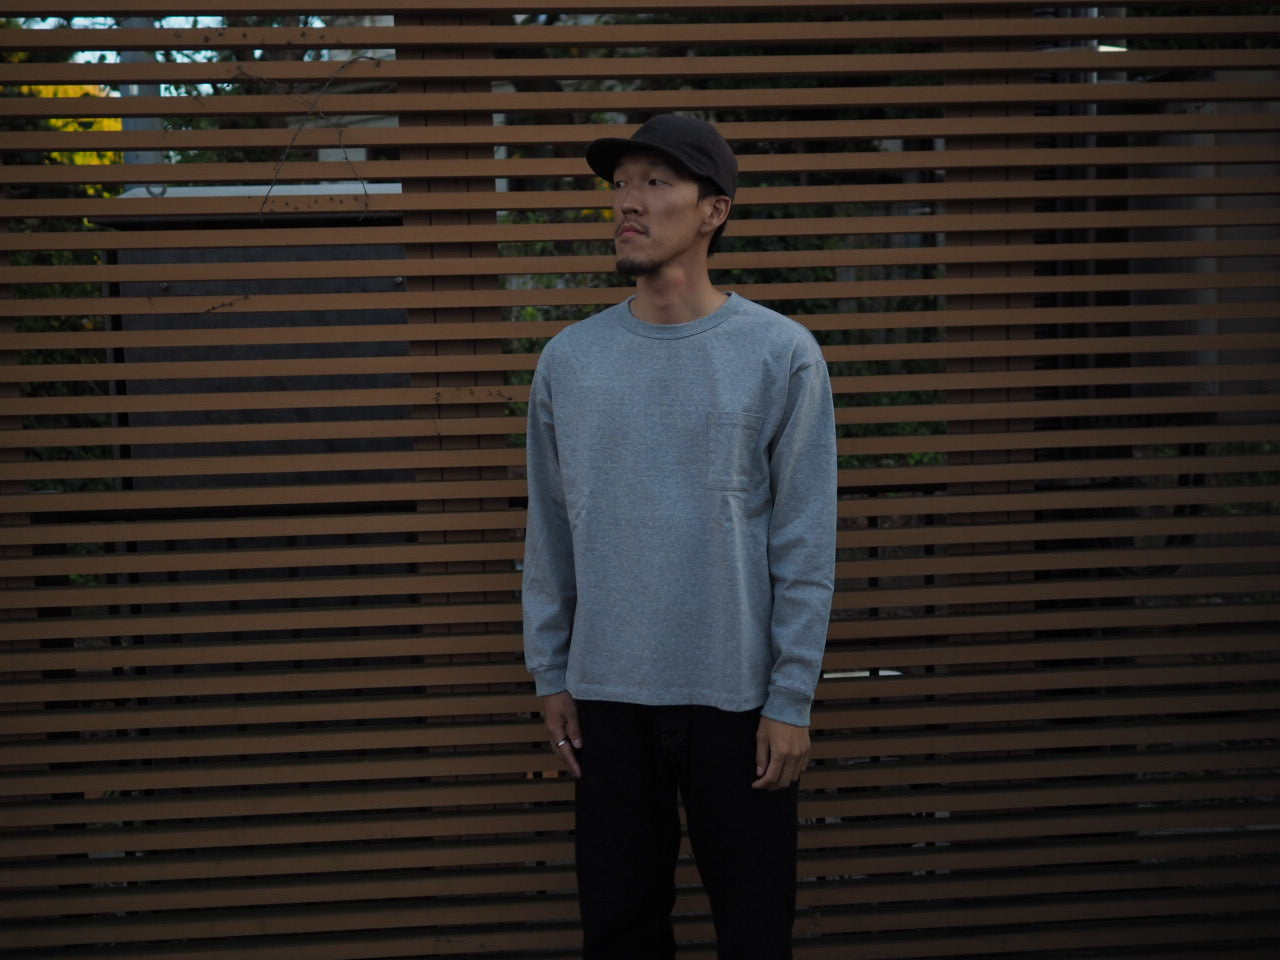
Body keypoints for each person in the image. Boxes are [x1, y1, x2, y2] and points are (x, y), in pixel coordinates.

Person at [521, 114, 837, 960]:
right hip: (607, 697)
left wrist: (791, 697)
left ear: (713, 211)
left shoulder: (781, 354)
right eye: (621, 184)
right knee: (619, 934)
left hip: (739, 699)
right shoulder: (570, 361)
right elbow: (549, 529)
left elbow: (805, 541)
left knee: (757, 933)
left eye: (656, 182)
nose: (629, 201)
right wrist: (551, 670)